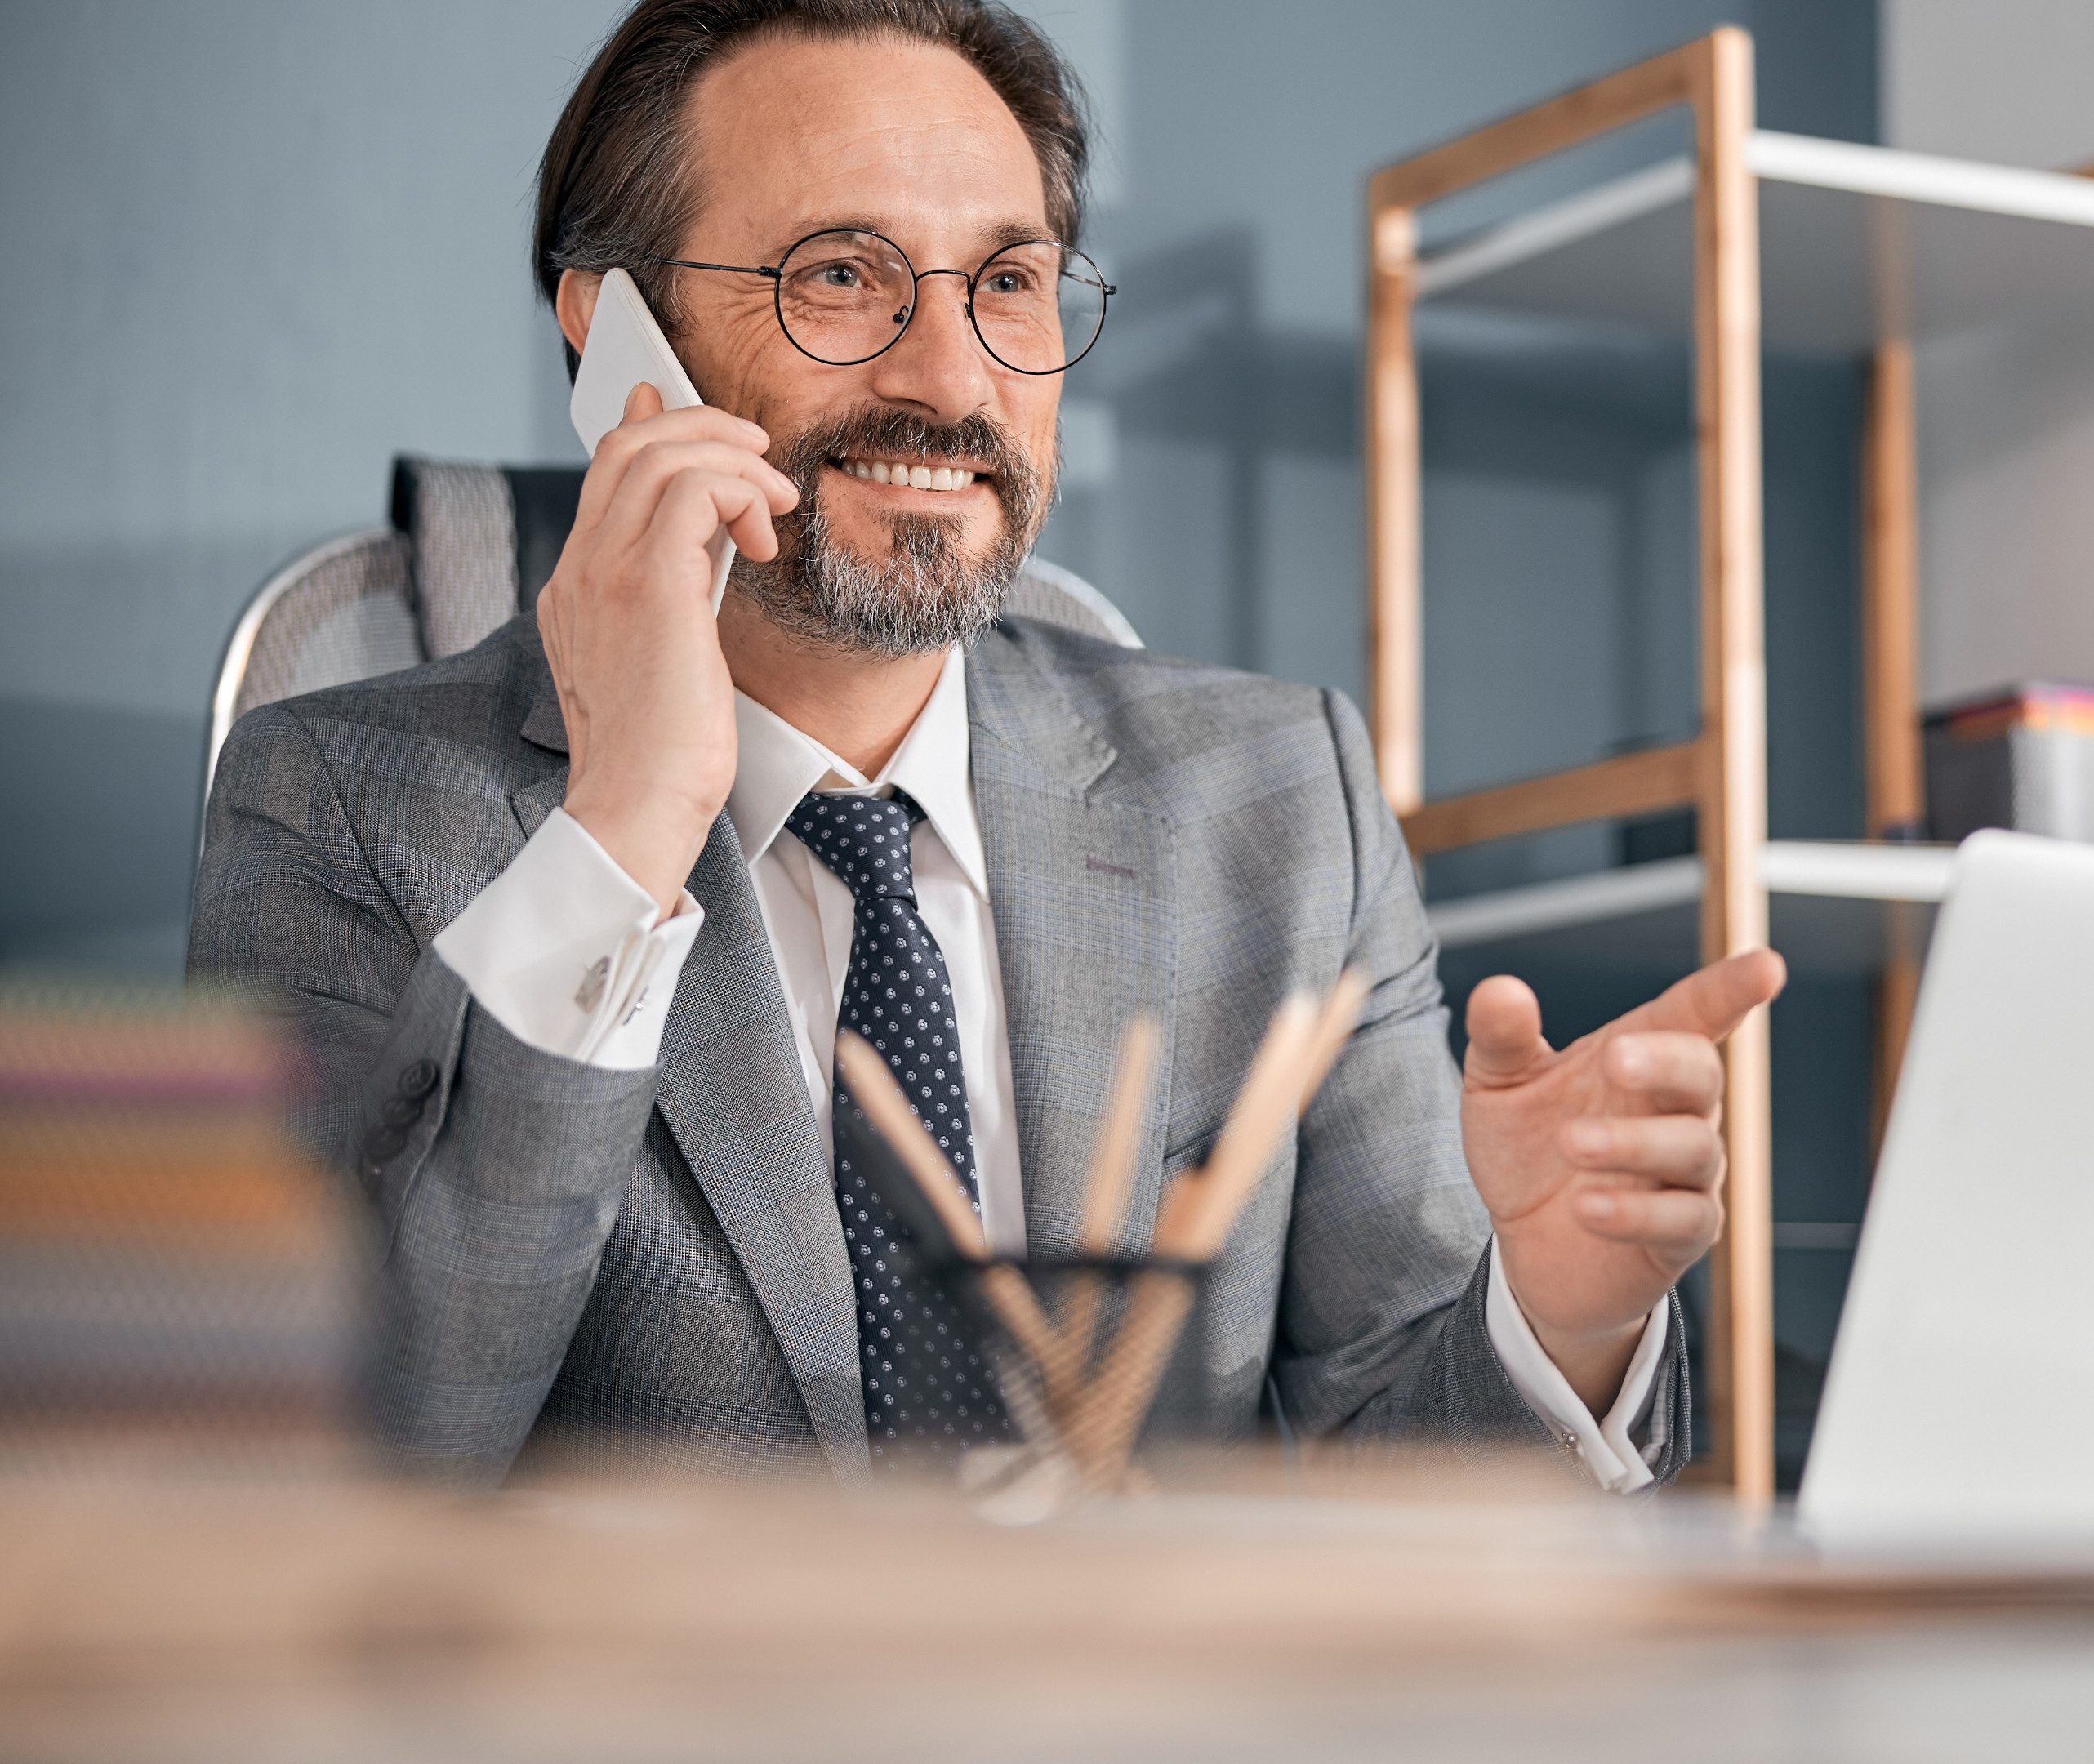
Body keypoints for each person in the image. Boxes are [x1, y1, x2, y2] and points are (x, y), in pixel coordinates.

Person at [190, 0, 1784, 1489]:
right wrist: (624, 826)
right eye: (839, 274)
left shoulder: (1284, 801)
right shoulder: (335, 803)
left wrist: (1560, 1315)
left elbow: (1398, 1484)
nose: (951, 380)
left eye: (1008, 284)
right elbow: (356, 1466)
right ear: (620, 343)